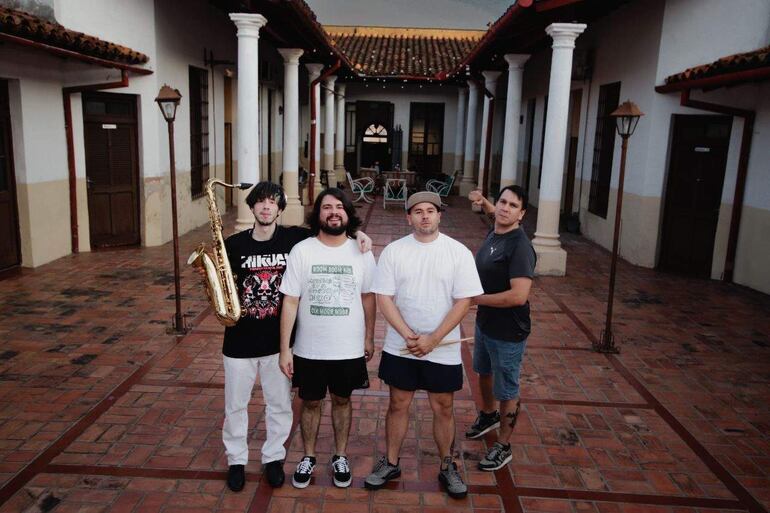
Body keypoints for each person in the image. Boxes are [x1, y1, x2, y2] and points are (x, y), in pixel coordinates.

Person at [207, 182, 371, 493]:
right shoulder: (234, 244)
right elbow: (221, 283)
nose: (266, 207)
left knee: (279, 405)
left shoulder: (295, 239)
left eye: (273, 202)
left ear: (280, 209)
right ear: (251, 207)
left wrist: (360, 234)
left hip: (278, 343)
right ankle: (236, 460)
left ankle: (273, 458)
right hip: (238, 340)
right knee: (235, 406)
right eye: (260, 202)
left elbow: (333, 229)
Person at [365, 191, 483, 499]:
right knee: (398, 404)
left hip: (442, 347)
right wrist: (408, 335)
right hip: (401, 345)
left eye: (430, 210)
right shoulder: (394, 251)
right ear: (409, 218)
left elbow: (464, 301)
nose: (425, 216)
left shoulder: (458, 252)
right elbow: (383, 297)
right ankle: (391, 462)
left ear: (439, 215)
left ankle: (447, 465)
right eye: (418, 211)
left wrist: (434, 338)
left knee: (443, 407)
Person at [279, 188, 377, 489]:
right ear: (317, 213)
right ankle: (308, 456)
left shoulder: (361, 251)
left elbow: (368, 297)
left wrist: (369, 337)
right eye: (326, 207)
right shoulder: (302, 250)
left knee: (342, 400)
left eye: (339, 207)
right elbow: (291, 301)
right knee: (310, 402)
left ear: (348, 213)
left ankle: (340, 456)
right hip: (309, 347)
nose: (333, 212)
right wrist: (285, 349)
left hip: (348, 347)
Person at [465, 185, 536, 472]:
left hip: (508, 330)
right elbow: (495, 212)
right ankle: (488, 415)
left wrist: (476, 299)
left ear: (522, 214)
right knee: (483, 371)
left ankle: (503, 445)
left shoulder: (520, 247)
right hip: (485, 323)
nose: (505, 208)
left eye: (513, 205)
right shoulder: (497, 228)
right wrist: (483, 201)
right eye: (503, 202)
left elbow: (519, 295)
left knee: (506, 388)